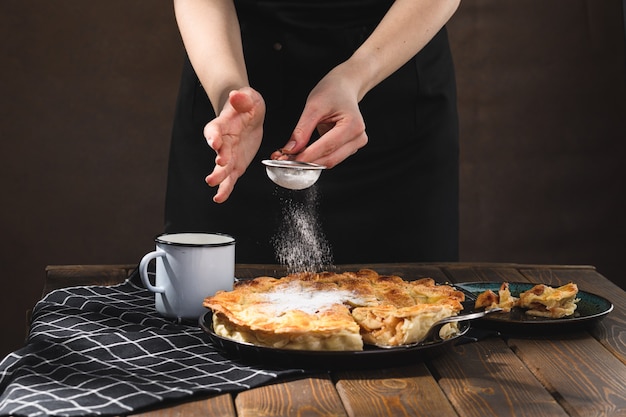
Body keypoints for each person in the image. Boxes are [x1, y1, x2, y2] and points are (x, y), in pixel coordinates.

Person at [165, 0, 461, 265]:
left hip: (392, 73)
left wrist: (357, 75)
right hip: (232, 91)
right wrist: (228, 91)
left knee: (415, 311)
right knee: (201, 312)